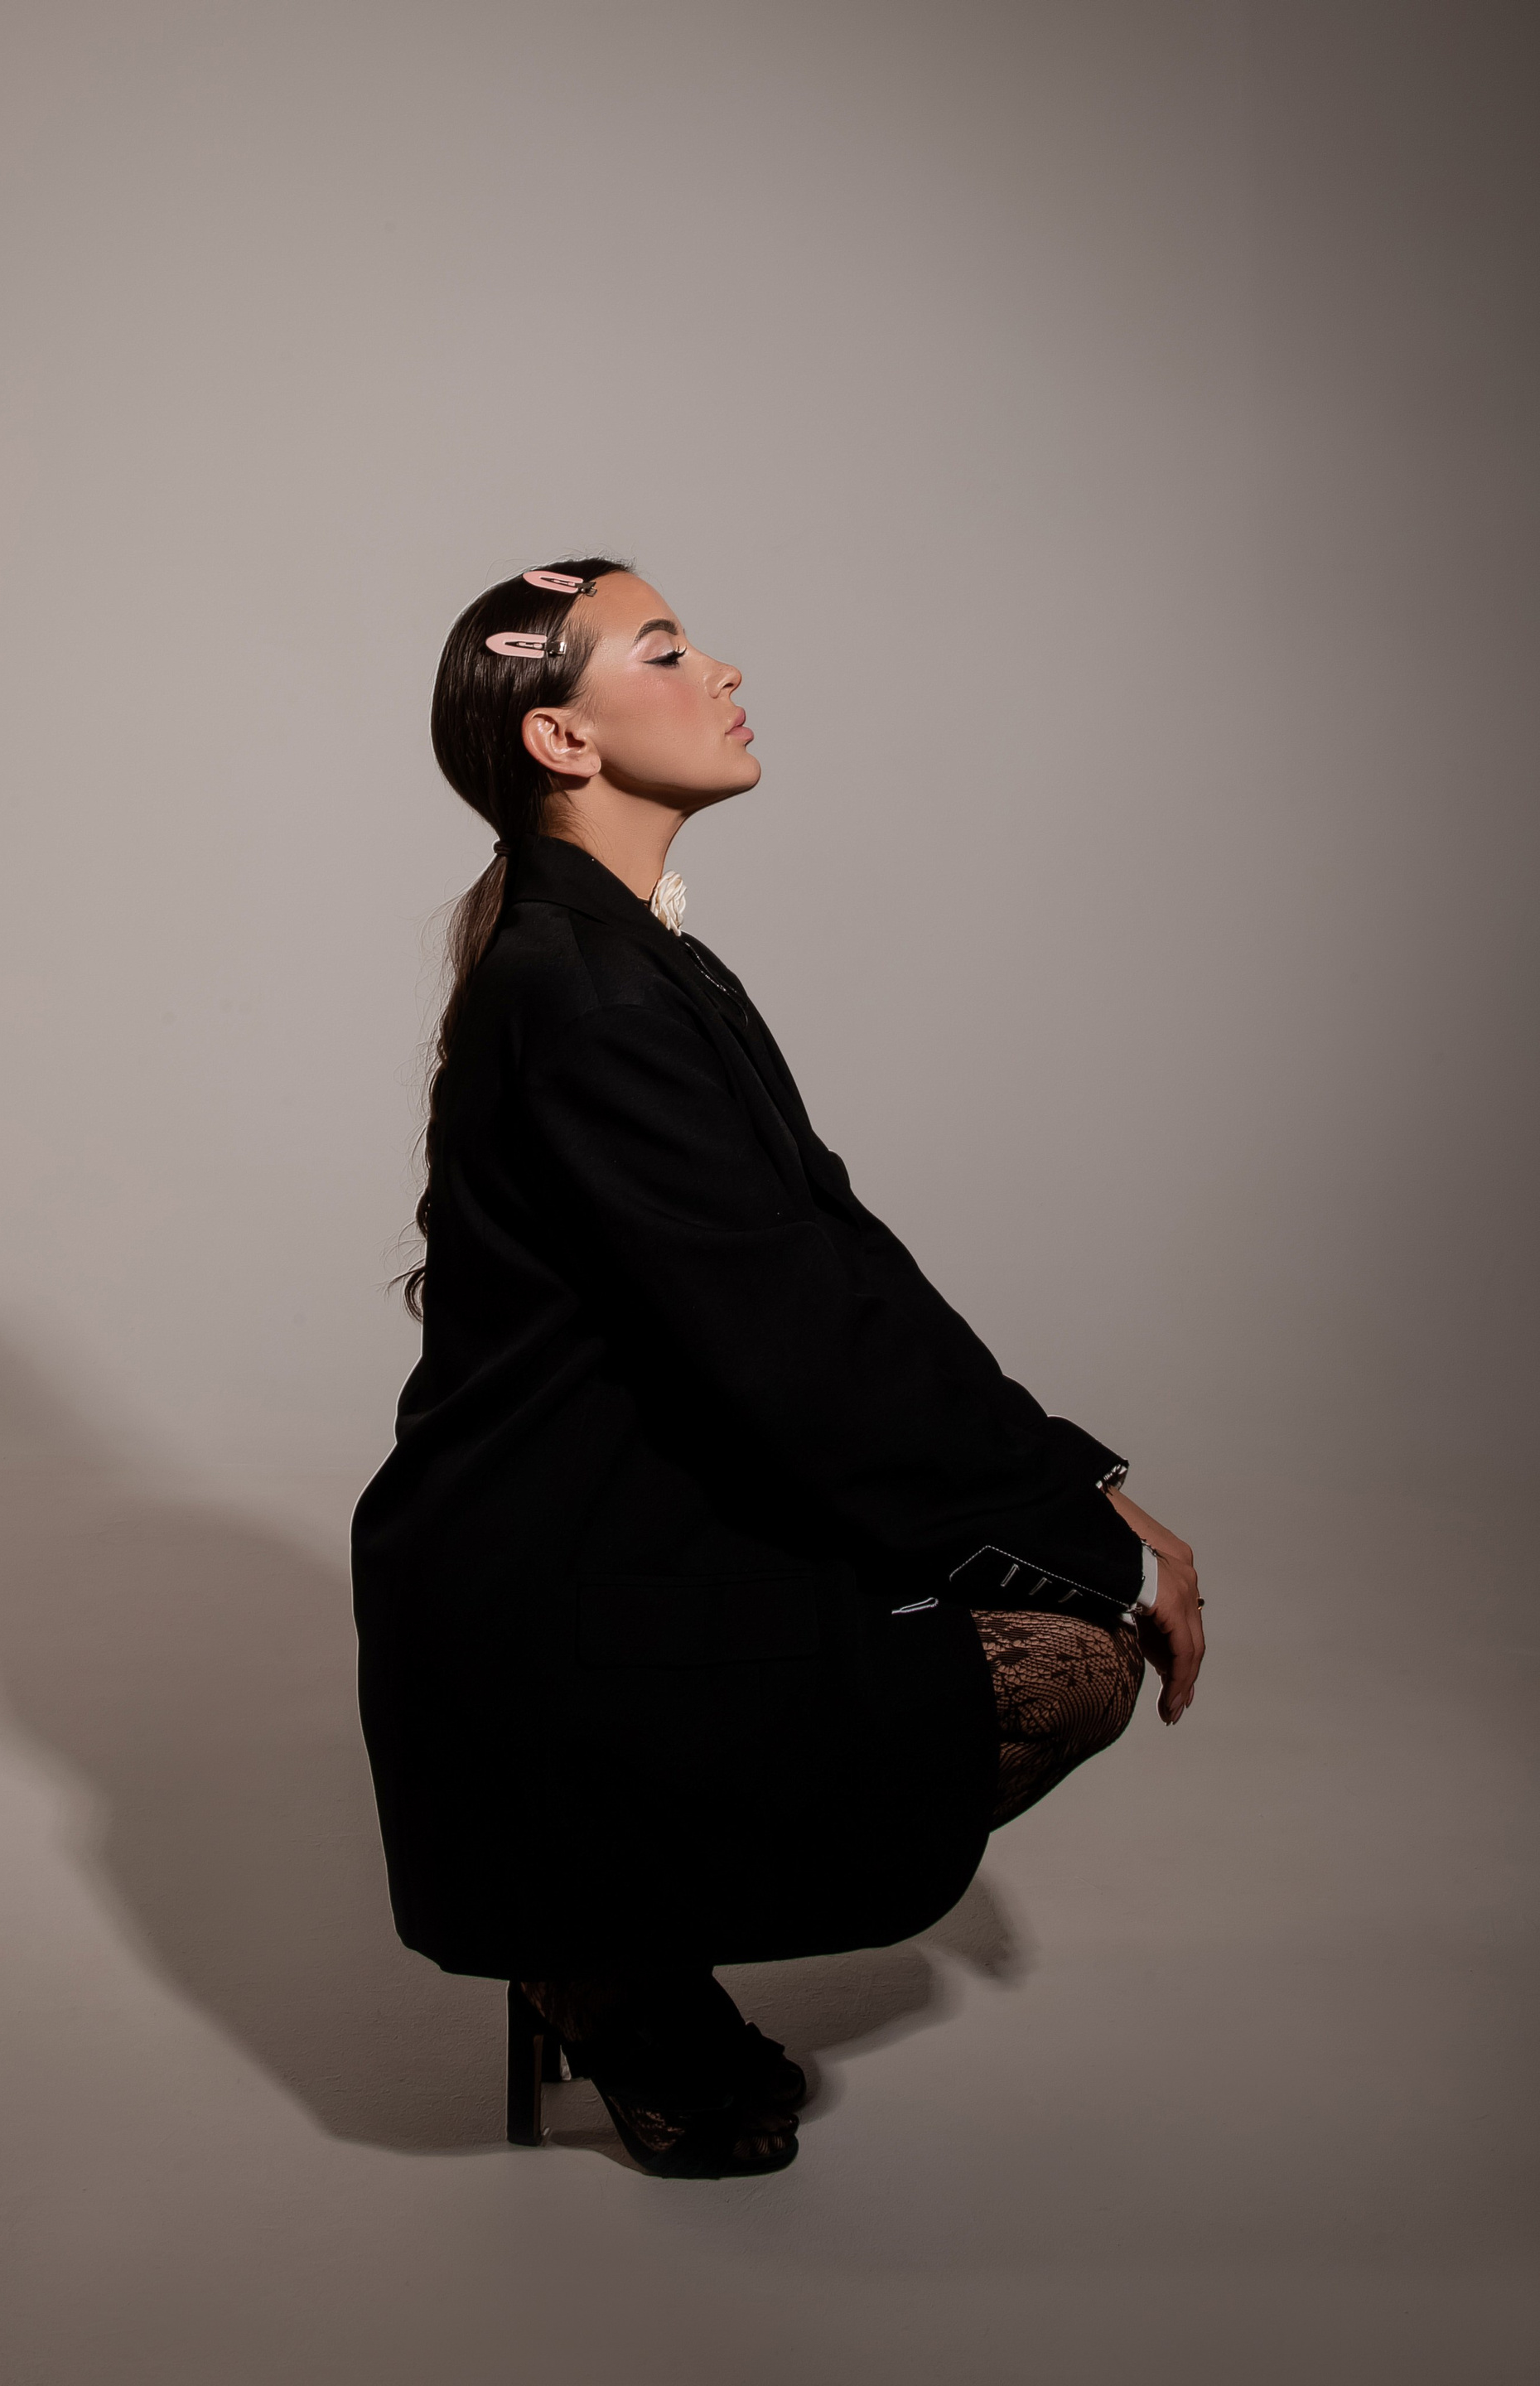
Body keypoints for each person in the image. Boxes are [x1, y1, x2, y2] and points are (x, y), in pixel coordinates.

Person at [351, 558, 1204, 2179]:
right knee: (1078, 1656)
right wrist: (1098, 1550)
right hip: (551, 1601)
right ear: (562, 740)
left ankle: (608, 1930)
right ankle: (607, 1965)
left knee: (1032, 1608)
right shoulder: (590, 993)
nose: (724, 669)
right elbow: (809, 1352)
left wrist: (1072, 1483)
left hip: (606, 1536)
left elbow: (839, 1269)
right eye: (667, 651)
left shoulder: (620, 958)